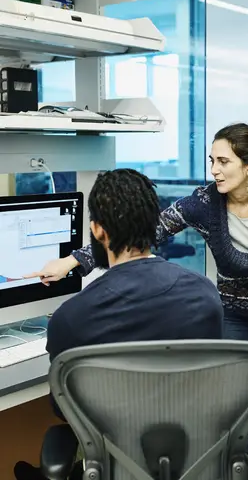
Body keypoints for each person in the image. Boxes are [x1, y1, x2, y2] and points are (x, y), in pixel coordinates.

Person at [27, 123, 248, 480]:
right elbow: (144, 230)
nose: (214, 169)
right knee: (230, 395)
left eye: (223, 161)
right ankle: (229, 461)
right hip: (234, 308)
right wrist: (75, 260)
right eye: (212, 160)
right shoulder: (204, 202)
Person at [16, 168, 224, 480]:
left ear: (97, 230)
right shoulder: (205, 294)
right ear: (155, 225)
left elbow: (65, 410)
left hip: (119, 464)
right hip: (196, 459)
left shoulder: (71, 318)